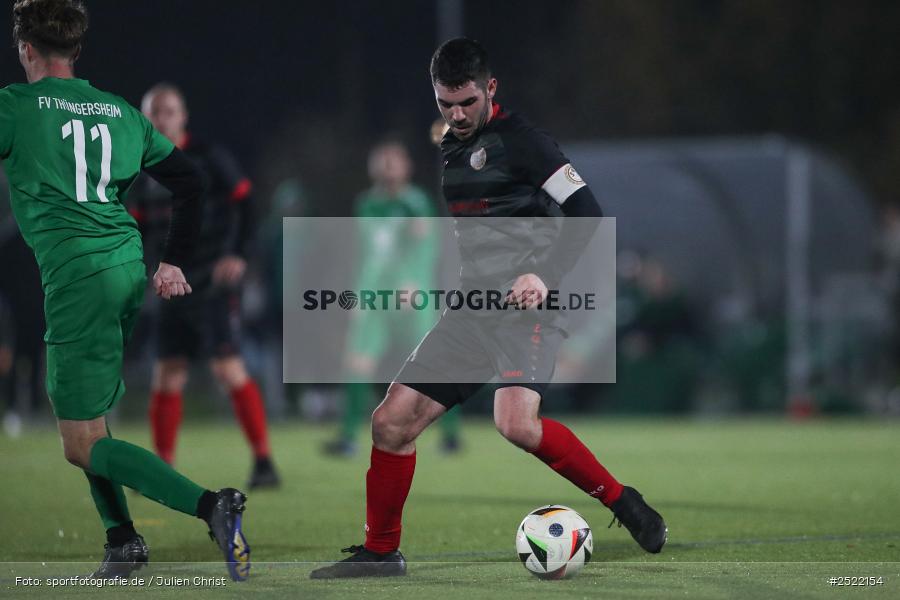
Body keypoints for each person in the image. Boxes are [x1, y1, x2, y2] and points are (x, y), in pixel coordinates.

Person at [310, 38, 667, 579]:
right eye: (444, 104)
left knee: (515, 424)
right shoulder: (451, 146)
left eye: (466, 103)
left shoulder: (526, 144)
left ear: (490, 89)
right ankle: (382, 554)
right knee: (390, 423)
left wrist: (543, 276)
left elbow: (588, 213)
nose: (456, 115)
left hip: (529, 310)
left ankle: (622, 500)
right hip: (471, 310)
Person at [0, 0, 249, 581]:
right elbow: (191, 180)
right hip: (125, 267)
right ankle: (122, 540)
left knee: (78, 441)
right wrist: (175, 260)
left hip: (77, 278)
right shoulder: (118, 111)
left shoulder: (14, 106)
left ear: (25, 50)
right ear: (77, 51)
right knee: (90, 419)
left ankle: (213, 506)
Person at [129, 83, 279, 489]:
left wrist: (239, 255)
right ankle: (163, 469)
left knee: (228, 367)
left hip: (211, 282)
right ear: (145, 119)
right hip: (168, 286)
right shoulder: (140, 169)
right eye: (154, 112)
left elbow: (246, 204)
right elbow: (137, 227)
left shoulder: (208, 158)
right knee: (167, 374)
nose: (162, 118)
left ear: (183, 117)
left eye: (169, 110)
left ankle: (263, 460)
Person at [323, 140, 462, 457]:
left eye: (393, 161)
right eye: (381, 160)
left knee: (435, 365)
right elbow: (363, 256)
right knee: (357, 362)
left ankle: (451, 435)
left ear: (406, 167)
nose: (387, 166)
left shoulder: (416, 203)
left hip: (412, 299)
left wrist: (413, 282)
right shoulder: (366, 204)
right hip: (375, 299)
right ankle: (347, 437)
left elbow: (426, 247)